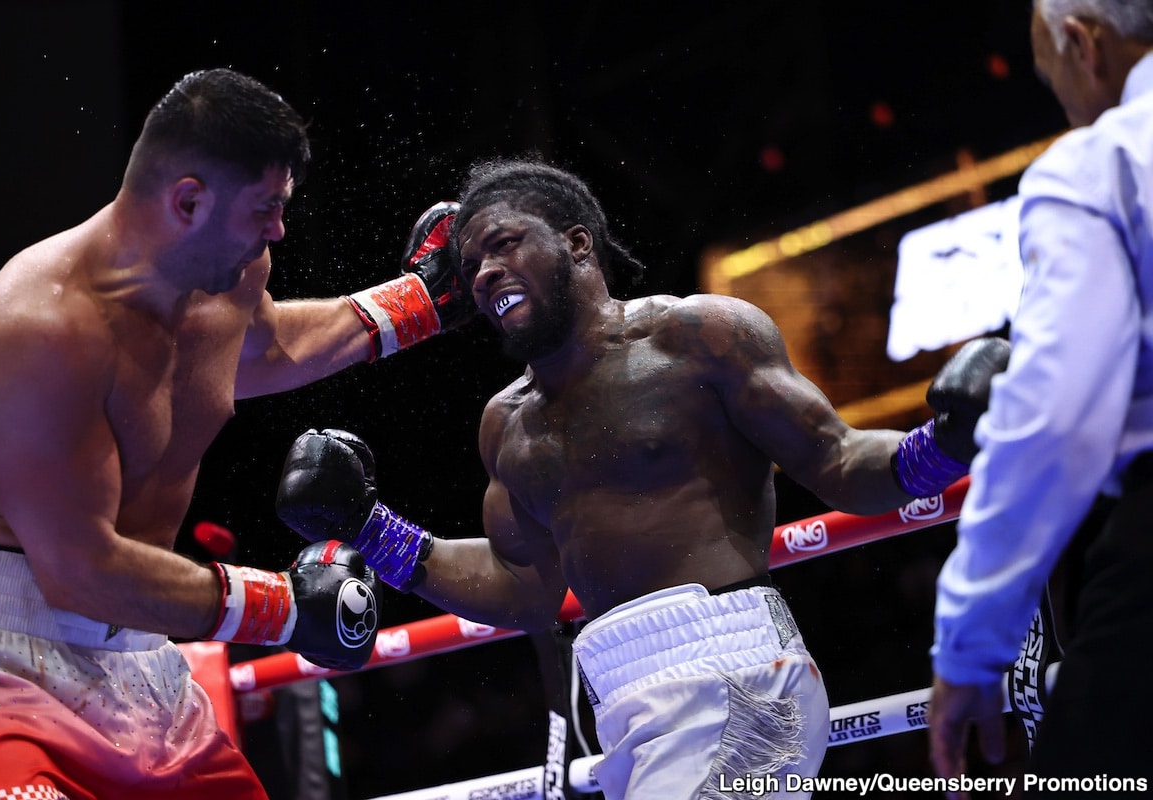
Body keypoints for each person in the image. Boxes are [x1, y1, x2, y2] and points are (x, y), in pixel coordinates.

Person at [275, 158, 1011, 798]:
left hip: (734, 674)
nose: (485, 272)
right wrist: (373, 527)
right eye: (470, 267)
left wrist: (944, 444)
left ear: (576, 242)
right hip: (622, 700)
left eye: (503, 245)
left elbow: (840, 462)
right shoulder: (507, 424)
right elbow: (523, 586)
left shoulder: (701, 337)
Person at [0, 68, 473, 800]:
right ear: (188, 200)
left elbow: (263, 347)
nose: (279, 230)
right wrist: (285, 606)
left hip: (139, 656)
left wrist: (418, 305)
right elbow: (79, 569)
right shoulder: (41, 327)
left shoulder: (232, 272)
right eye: (265, 208)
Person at [927, 2, 1153, 796]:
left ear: (1080, 43)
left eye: (1049, 73)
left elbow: (1057, 418)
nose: (1060, 97)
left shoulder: (1100, 163)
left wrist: (970, 646)